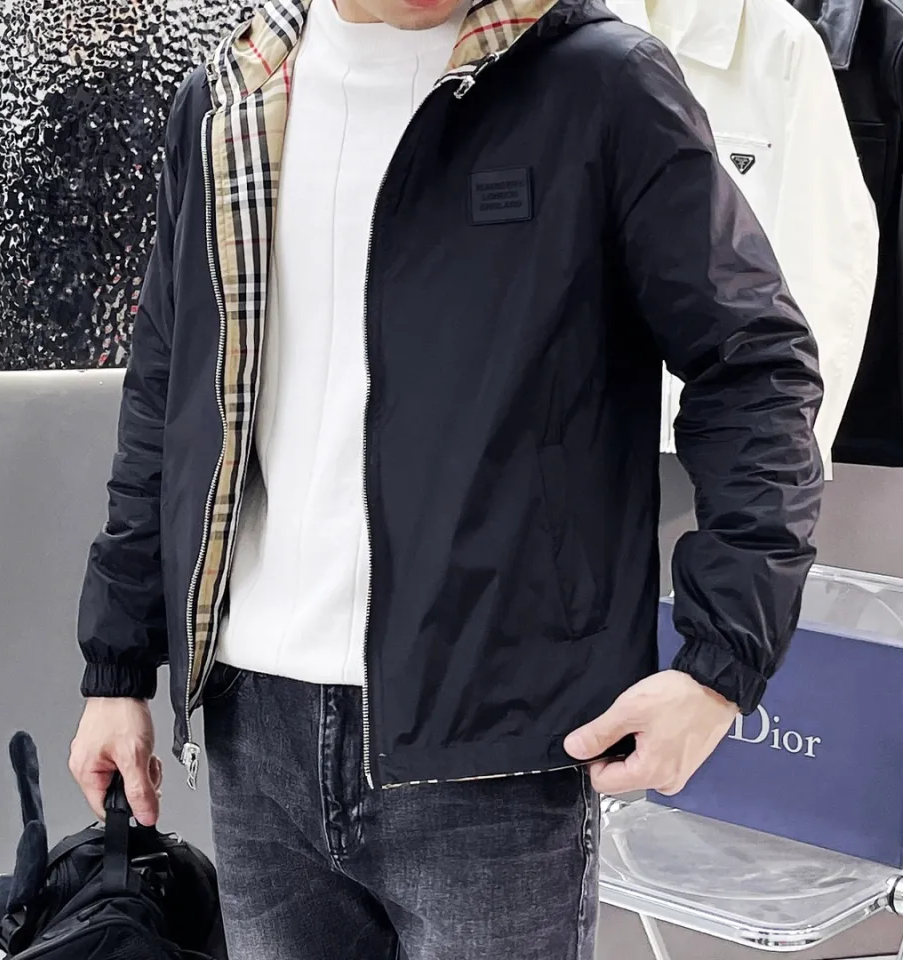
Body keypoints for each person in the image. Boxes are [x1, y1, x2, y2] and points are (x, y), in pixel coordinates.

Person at [68, 0, 825, 955]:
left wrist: (720, 668)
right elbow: (169, 394)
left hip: (497, 745)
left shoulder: (601, 85)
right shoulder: (230, 99)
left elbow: (754, 365)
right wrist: (118, 666)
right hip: (254, 725)